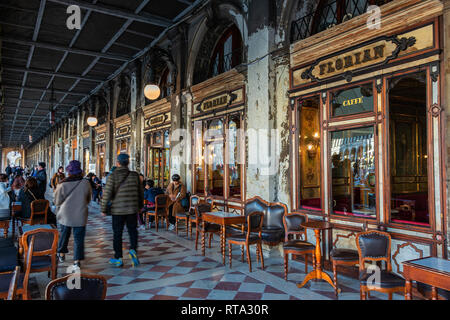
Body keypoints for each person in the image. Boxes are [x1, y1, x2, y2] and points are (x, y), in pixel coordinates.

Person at [101, 154, 143, 268]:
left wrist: (103, 208)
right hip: (132, 209)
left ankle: (118, 258)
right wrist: (140, 206)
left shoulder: (113, 176)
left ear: (118, 163)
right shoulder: (135, 175)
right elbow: (140, 192)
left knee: (117, 234)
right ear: (128, 163)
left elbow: (107, 193)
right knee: (133, 231)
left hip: (118, 211)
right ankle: (133, 250)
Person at [54, 160, 92, 269]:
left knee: (64, 235)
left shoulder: (62, 184)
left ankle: (61, 254)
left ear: (69, 171)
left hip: (66, 214)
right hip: (80, 213)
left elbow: (57, 201)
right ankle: (76, 261)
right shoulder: (86, 183)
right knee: (78, 238)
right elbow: (88, 199)